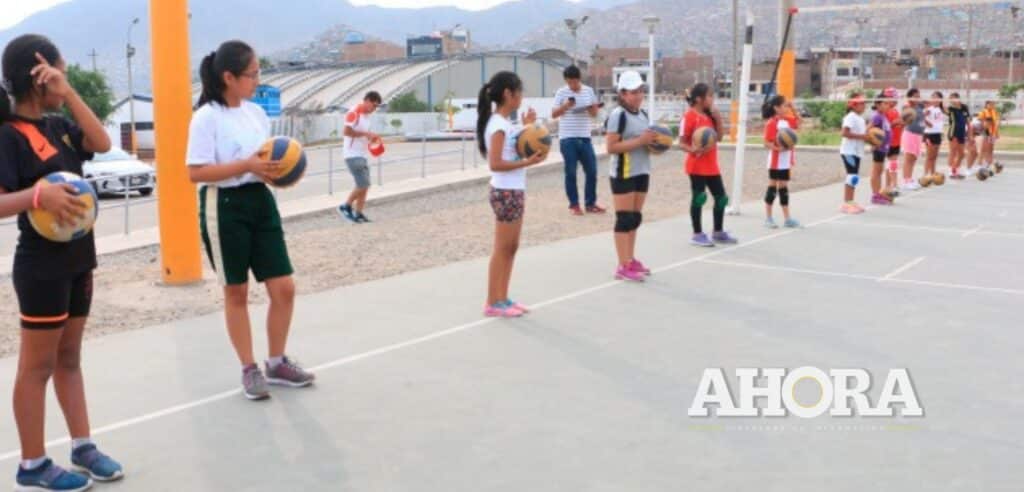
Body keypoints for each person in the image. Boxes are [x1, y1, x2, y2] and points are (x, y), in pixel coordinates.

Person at [0, 34, 124, 491]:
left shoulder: (59, 125)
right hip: (40, 267)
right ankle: (32, 464)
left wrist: (69, 93)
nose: (65, 78)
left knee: (70, 358)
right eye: (61, 71)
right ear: (40, 75)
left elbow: (102, 139)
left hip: (78, 259)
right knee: (37, 367)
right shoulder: (8, 135)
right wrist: (37, 194)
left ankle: (83, 446)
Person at [187, 40, 315, 401]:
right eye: (252, 74)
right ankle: (249, 368)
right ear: (228, 77)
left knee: (284, 288)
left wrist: (278, 172)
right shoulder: (206, 117)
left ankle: (276, 362)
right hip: (224, 205)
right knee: (236, 291)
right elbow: (195, 172)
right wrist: (247, 165)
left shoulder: (256, 114)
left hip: (260, 201)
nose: (257, 80)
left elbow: (266, 162)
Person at [477, 71, 546, 317]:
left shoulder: (504, 124)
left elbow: (513, 145)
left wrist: (527, 127)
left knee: (511, 247)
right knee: (502, 248)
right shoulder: (497, 126)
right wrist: (527, 163)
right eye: (519, 92)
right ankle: (492, 301)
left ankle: (502, 298)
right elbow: (495, 163)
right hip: (505, 190)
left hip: (513, 189)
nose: (521, 97)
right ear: (509, 94)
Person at [604, 70, 657, 281]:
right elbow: (611, 147)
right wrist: (641, 141)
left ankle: (630, 259)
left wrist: (656, 144)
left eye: (640, 91)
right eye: (633, 92)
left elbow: (647, 142)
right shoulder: (618, 115)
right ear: (623, 94)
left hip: (642, 170)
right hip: (623, 172)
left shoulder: (643, 115)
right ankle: (622, 264)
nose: (638, 95)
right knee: (624, 219)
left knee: (635, 219)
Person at [679, 83, 737, 247]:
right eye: (710, 96)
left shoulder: (709, 115)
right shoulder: (689, 117)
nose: (713, 99)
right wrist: (693, 149)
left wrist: (718, 119)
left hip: (711, 165)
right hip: (696, 165)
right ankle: (697, 234)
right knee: (699, 198)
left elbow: (719, 137)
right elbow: (681, 143)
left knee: (721, 198)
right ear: (699, 99)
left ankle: (718, 231)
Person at [552, 65, 605, 216]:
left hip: (585, 137)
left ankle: (590, 203)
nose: (572, 86)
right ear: (566, 81)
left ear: (579, 79)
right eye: (569, 83)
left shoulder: (588, 91)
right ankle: (574, 205)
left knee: (592, 171)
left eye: (575, 82)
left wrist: (592, 108)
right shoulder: (561, 92)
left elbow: (594, 114)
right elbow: (554, 114)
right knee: (571, 172)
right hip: (567, 138)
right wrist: (566, 106)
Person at [337, 91, 382, 223]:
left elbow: (363, 135)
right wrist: (366, 134)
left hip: (361, 154)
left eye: (376, 107)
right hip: (352, 154)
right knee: (363, 183)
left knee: (365, 185)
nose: (374, 109)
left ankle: (358, 213)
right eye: (374, 105)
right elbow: (346, 132)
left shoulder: (366, 116)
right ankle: (345, 206)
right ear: (367, 100)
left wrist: (371, 139)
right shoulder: (354, 112)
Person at [761, 94, 801, 228]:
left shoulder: (788, 121)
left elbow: (799, 122)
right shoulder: (772, 122)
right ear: (776, 108)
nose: (786, 107)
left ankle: (787, 218)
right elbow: (766, 143)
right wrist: (779, 149)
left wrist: (792, 107)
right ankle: (768, 218)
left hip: (786, 161)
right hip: (775, 161)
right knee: (772, 188)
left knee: (783, 189)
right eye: (784, 105)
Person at [839, 93, 867, 214]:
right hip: (848, 151)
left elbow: (862, 136)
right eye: (861, 103)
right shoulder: (850, 117)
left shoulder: (860, 118)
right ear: (854, 105)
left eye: (864, 103)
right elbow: (844, 133)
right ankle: (846, 203)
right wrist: (862, 136)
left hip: (856, 151)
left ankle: (851, 201)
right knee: (852, 176)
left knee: (854, 177)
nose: (864, 106)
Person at [868, 96, 894, 205]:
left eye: (888, 103)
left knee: (879, 171)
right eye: (884, 103)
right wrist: (872, 142)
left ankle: (878, 193)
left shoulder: (883, 116)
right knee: (876, 172)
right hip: (878, 148)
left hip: (884, 148)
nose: (887, 105)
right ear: (878, 105)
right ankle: (875, 195)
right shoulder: (877, 117)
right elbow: (868, 129)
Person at [899, 88, 925, 191]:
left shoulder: (920, 106)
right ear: (910, 97)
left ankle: (909, 179)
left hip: (919, 135)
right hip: (910, 134)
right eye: (915, 96)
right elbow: (903, 119)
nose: (917, 98)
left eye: (918, 96)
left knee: (914, 158)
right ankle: (905, 181)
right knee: (908, 158)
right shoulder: (907, 107)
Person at [882, 87, 902, 196]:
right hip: (889, 141)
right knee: (893, 163)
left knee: (890, 164)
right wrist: (895, 123)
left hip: (896, 141)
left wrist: (903, 122)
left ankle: (888, 186)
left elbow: (898, 125)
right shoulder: (885, 111)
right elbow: (884, 127)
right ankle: (894, 185)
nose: (896, 100)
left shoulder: (895, 110)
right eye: (893, 98)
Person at [945, 92, 970, 179]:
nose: (951, 100)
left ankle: (956, 170)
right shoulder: (950, 109)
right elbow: (944, 109)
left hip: (962, 132)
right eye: (950, 99)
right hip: (953, 132)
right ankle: (950, 171)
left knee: (962, 154)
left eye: (953, 98)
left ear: (958, 98)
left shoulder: (964, 108)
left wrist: (970, 134)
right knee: (953, 152)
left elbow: (968, 122)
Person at [922, 91, 945, 179]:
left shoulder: (941, 109)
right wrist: (928, 123)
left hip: (937, 134)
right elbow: (921, 117)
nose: (935, 99)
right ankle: (925, 175)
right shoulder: (929, 109)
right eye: (933, 97)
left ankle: (933, 173)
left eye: (937, 97)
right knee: (929, 156)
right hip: (929, 134)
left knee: (934, 156)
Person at [978, 100, 1001, 173]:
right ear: (986, 105)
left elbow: (997, 122)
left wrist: (996, 133)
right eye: (990, 104)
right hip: (986, 132)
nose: (991, 105)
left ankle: (987, 165)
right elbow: (981, 122)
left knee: (991, 149)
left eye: (992, 104)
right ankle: (980, 166)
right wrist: (984, 129)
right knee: (984, 149)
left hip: (993, 133)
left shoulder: (995, 112)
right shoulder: (983, 112)